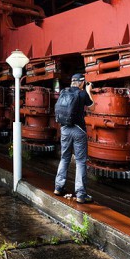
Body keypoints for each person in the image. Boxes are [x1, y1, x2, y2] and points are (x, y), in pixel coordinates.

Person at [54, 73, 94, 204]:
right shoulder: (82, 94)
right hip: (78, 130)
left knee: (64, 157)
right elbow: (92, 106)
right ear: (82, 82)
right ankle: (81, 194)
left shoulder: (64, 91)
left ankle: (59, 187)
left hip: (64, 129)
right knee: (80, 161)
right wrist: (88, 91)